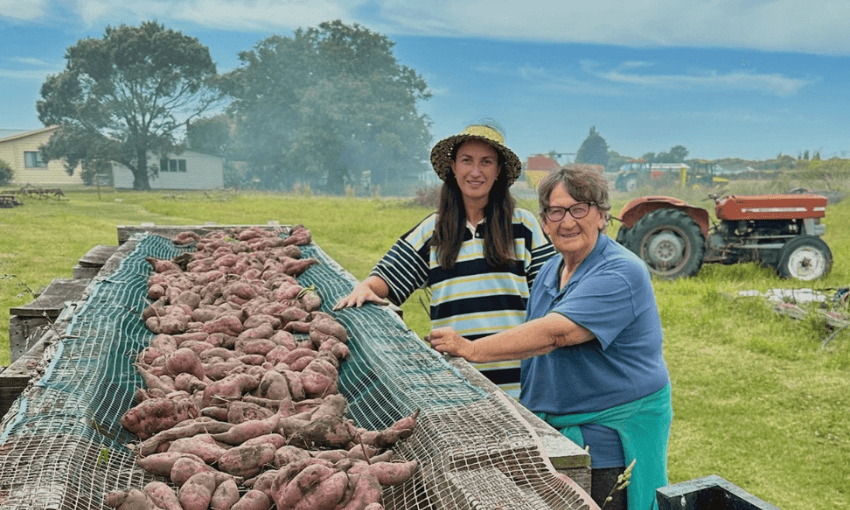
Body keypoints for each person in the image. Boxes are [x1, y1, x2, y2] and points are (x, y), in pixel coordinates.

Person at [428, 165, 673, 510]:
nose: (567, 222)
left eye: (578, 209)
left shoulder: (620, 271)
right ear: (544, 221)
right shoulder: (550, 271)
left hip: (608, 437)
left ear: (602, 216)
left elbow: (556, 334)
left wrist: (471, 349)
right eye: (556, 212)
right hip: (554, 432)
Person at [334, 122, 556, 395]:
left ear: (498, 170)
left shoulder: (524, 226)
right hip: (455, 384)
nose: (475, 171)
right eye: (467, 161)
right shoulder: (433, 231)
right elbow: (383, 282)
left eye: (486, 162)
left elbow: (552, 299)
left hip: (520, 383)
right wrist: (365, 287)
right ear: (453, 167)